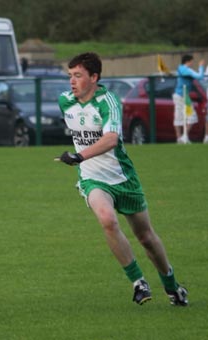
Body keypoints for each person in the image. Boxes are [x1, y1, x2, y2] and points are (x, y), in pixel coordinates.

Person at [57, 52, 188, 306]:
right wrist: (82, 161)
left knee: (146, 237)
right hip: (92, 178)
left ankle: (172, 287)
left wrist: (79, 155)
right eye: (70, 76)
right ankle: (138, 282)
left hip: (123, 177)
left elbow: (111, 139)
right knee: (107, 219)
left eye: (78, 76)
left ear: (94, 77)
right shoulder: (65, 101)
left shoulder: (109, 101)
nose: (71, 81)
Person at [172, 54, 205, 144]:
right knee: (192, 116)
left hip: (180, 95)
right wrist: (201, 66)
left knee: (179, 116)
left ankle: (180, 138)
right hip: (182, 96)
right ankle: (183, 137)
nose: (192, 63)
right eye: (192, 61)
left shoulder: (180, 68)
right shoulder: (185, 70)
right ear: (188, 61)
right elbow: (200, 76)